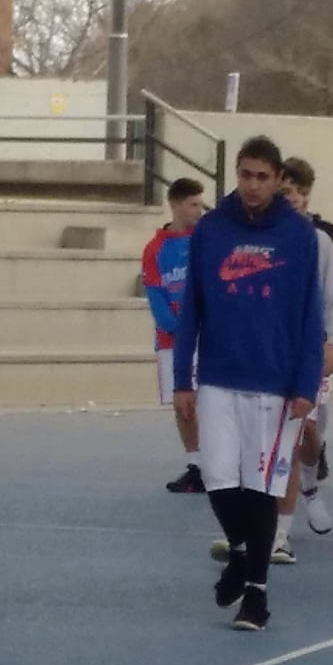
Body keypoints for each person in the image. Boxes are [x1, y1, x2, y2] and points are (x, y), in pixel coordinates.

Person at [174, 136, 323, 631]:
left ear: (278, 179)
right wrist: (182, 379)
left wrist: (306, 385)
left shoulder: (299, 235)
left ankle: (256, 594)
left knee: (261, 489)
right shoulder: (212, 229)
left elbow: (310, 314)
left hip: (275, 384)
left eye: (262, 176)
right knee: (218, 479)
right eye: (245, 175)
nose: (253, 185)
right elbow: (191, 308)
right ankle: (240, 552)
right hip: (219, 376)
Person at [269, 156, 333, 563]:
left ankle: (310, 485)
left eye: (298, 192)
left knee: (306, 432)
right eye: (285, 191)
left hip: (310, 352)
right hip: (269, 353)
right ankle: (279, 535)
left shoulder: (321, 239)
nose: (291, 199)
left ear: (306, 196)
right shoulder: (257, 236)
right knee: (283, 439)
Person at [142, 177, 206, 493]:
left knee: (211, 402)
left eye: (201, 204)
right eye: (193, 204)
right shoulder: (154, 249)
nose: (199, 211)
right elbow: (157, 298)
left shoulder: (205, 241)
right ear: (176, 205)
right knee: (184, 406)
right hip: (173, 341)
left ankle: (219, 462)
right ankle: (196, 465)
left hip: (207, 338)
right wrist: (180, 329)